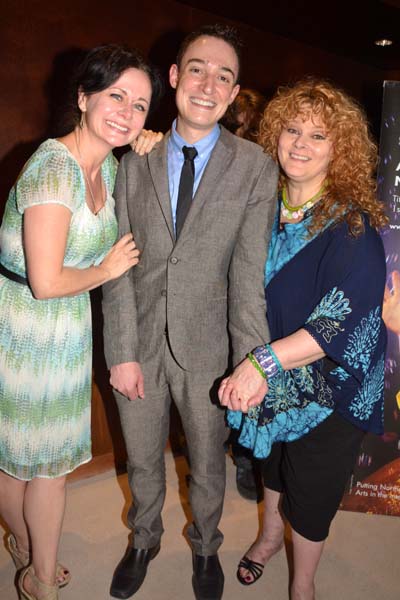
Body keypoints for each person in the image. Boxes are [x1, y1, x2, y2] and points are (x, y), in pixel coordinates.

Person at [102, 24, 278, 600]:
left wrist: (251, 364)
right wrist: (121, 352)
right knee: (144, 461)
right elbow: (119, 269)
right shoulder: (134, 161)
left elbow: (248, 278)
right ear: (174, 78)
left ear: (233, 94)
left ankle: (206, 546)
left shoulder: (255, 167)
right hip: (142, 344)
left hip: (210, 353)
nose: (208, 84)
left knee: (208, 467)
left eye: (223, 76)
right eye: (197, 69)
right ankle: (143, 539)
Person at [0, 44, 161, 600]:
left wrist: (153, 146)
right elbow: (45, 281)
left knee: (23, 453)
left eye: (140, 105)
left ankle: (23, 546)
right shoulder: (52, 168)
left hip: (66, 328)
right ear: (83, 97)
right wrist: (107, 267)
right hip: (23, 328)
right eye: (116, 95)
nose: (127, 112)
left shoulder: (112, 166)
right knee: (38, 464)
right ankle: (41, 579)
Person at [218, 79, 388, 600]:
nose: (300, 144)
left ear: (340, 152)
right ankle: (270, 537)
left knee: (311, 489)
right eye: (292, 129)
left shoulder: (353, 228)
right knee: (274, 461)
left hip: (333, 386)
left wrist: (259, 365)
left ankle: (304, 584)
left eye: (318, 136)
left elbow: (332, 325)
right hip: (274, 374)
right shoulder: (263, 208)